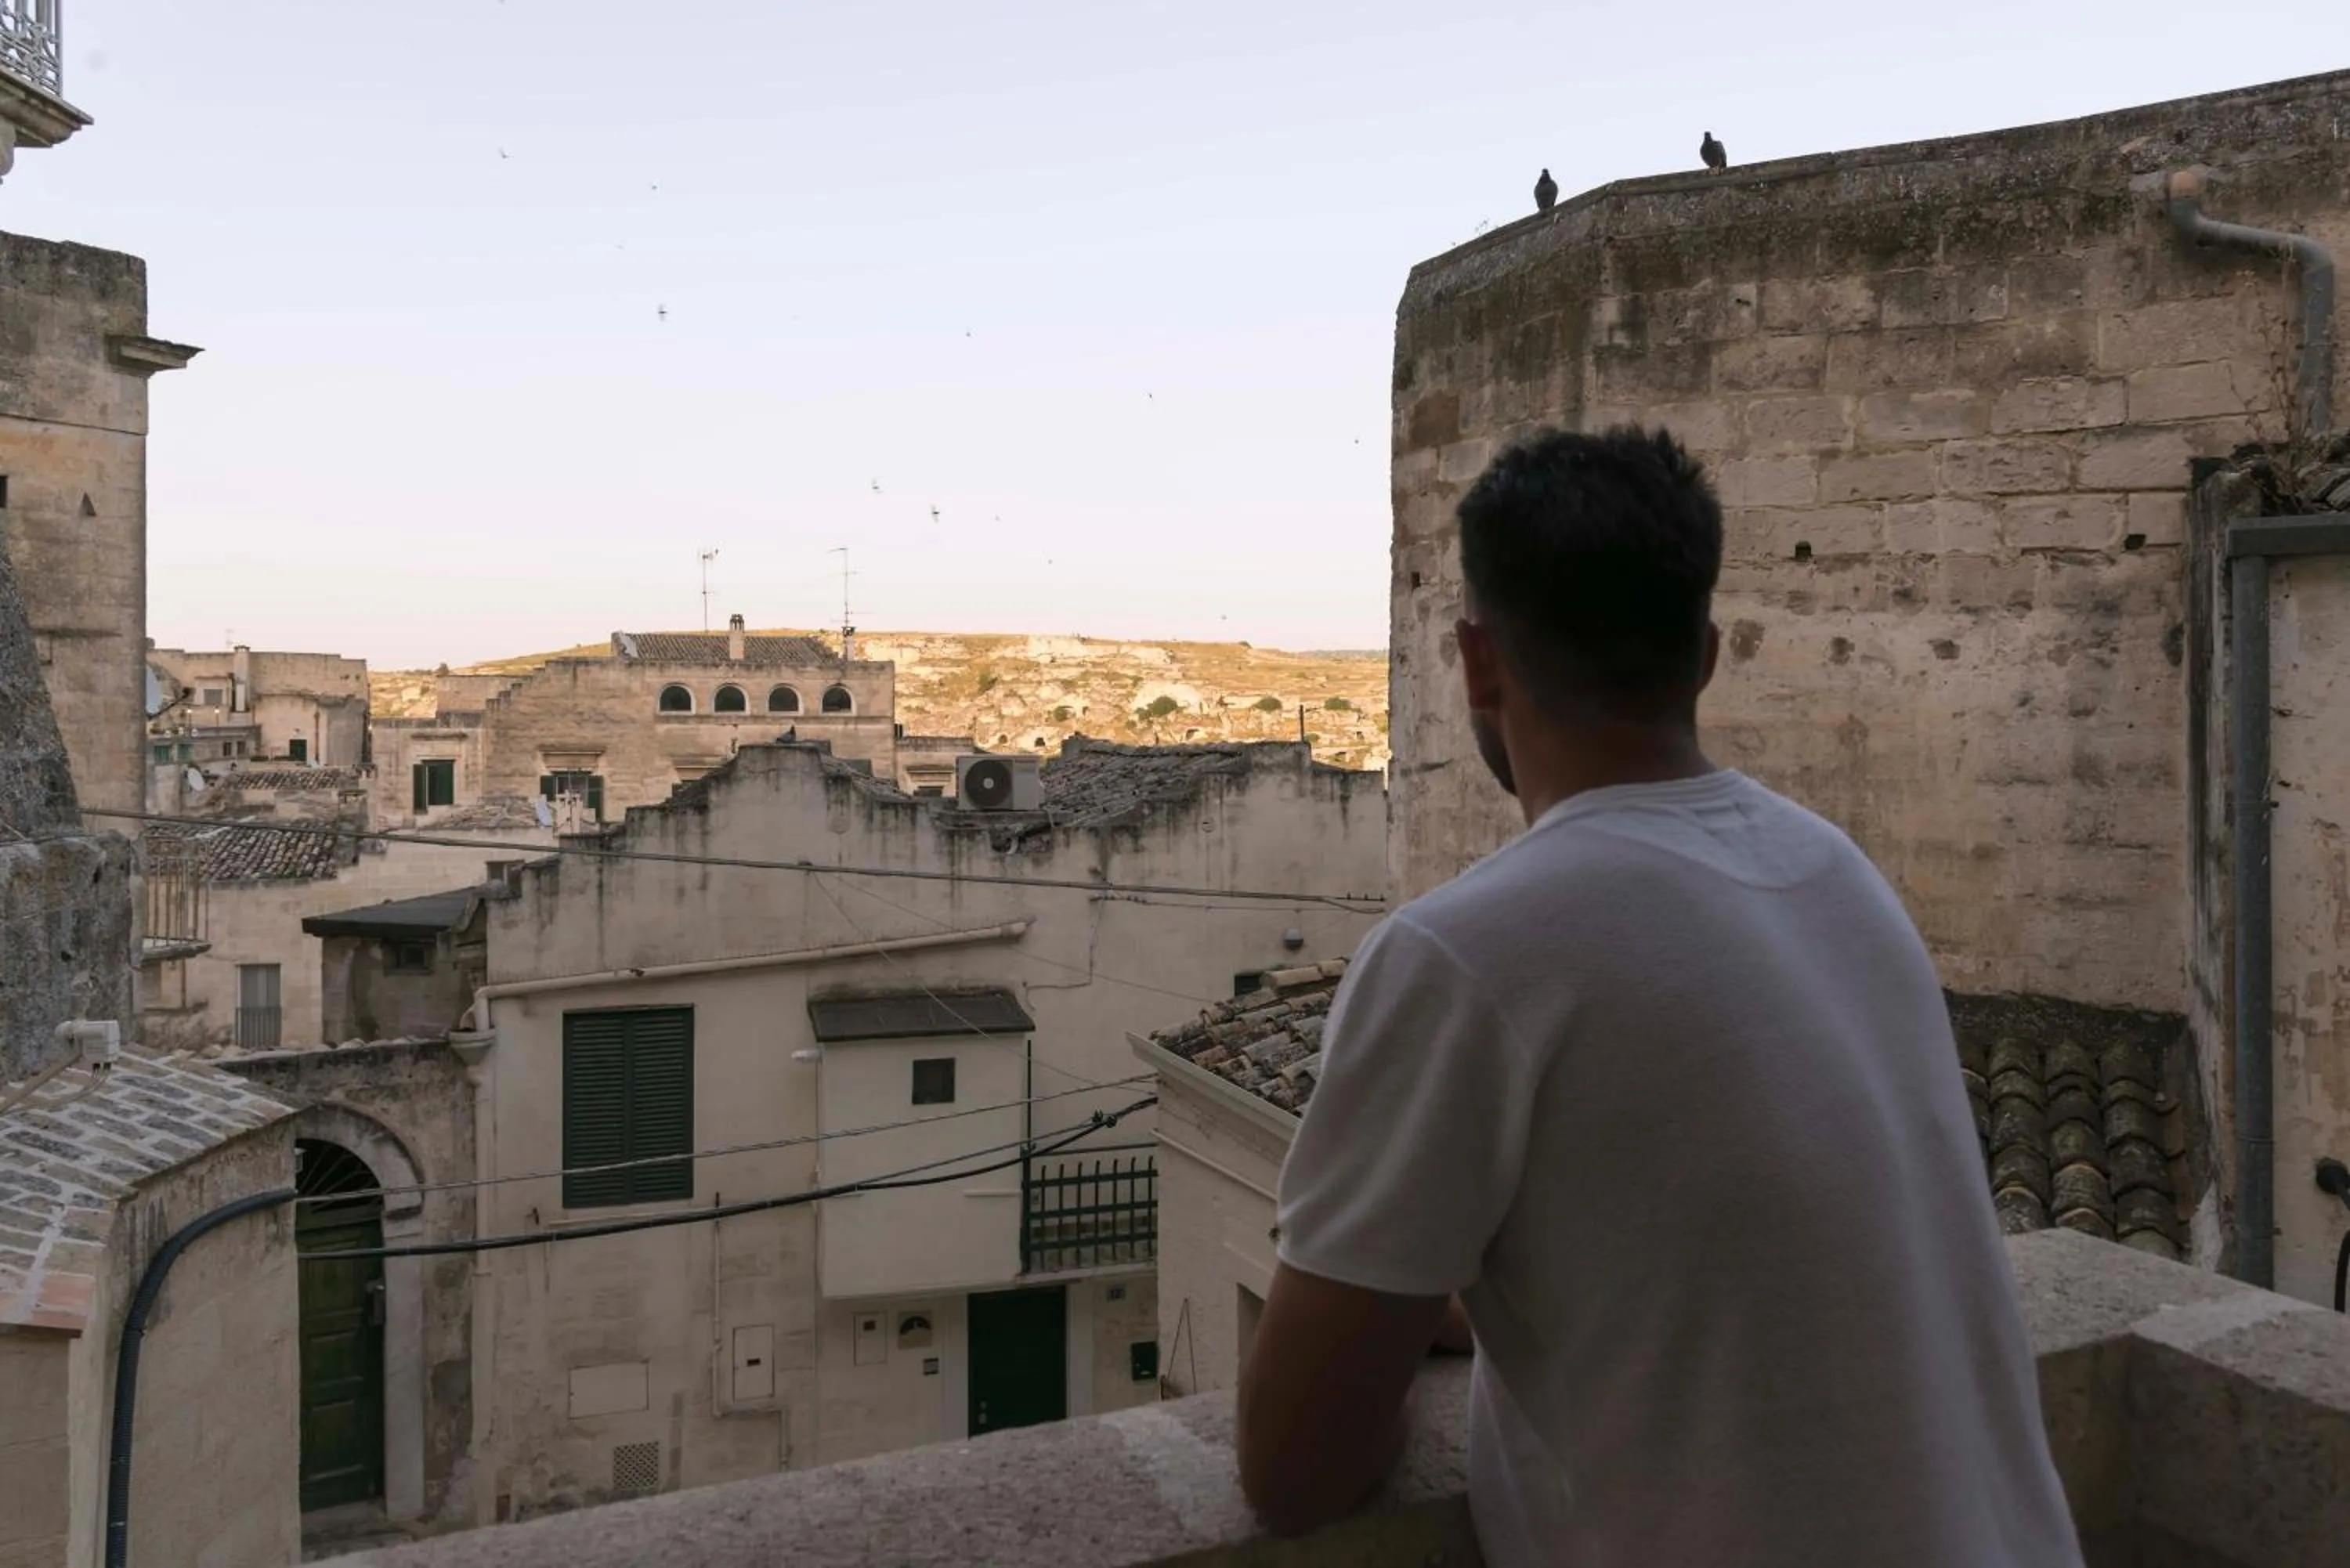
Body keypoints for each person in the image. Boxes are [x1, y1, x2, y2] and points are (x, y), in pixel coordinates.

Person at [1235, 426, 2082, 1566]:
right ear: (1707, 655)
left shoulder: (1464, 956)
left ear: (1478, 662)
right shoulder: (1839, 876)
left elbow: (1294, 1469)